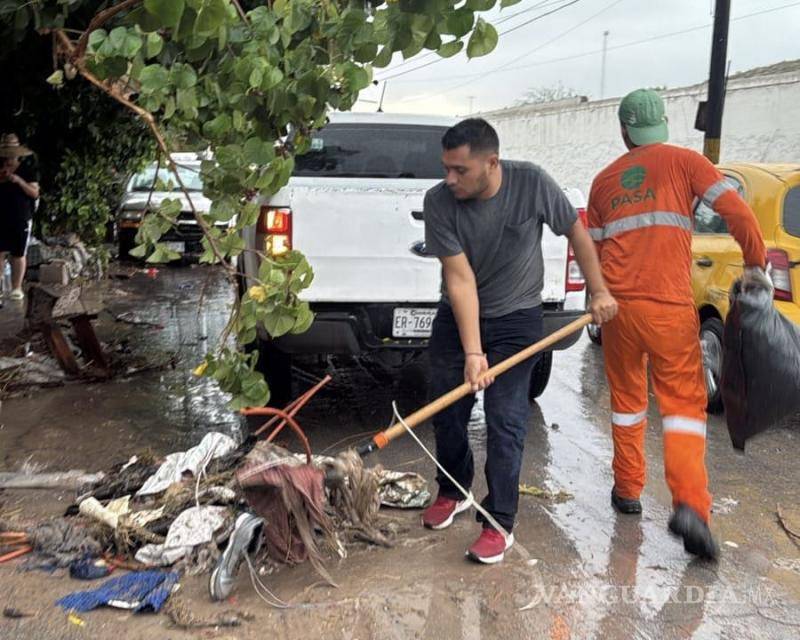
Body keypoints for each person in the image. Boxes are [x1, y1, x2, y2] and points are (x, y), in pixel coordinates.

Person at [421, 118, 618, 564]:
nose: (450, 178)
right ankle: (452, 490)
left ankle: (499, 521)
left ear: (492, 163)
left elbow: (576, 232)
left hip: (517, 319)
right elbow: (460, 280)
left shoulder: (532, 183)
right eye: (446, 168)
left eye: (460, 170)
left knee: (506, 419)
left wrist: (599, 291)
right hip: (458, 316)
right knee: (447, 410)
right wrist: (473, 352)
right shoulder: (438, 202)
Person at [587, 89, 767, 560]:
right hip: (668, 307)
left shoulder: (603, 181)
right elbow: (737, 212)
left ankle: (628, 489)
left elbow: (592, 251)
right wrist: (755, 264)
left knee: (628, 401)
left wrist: (596, 297)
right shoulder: (686, 162)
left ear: (624, 130)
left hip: (619, 310)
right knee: (684, 409)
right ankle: (690, 506)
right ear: (662, 125)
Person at [0, 133, 40, 302]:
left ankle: (16, 288)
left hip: (21, 216)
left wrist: (18, 180)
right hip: (1, 215)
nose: (9, 158)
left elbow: (35, 193)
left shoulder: (27, 170)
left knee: (18, 253)